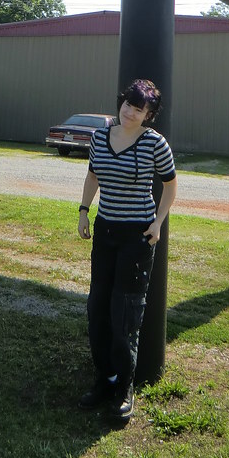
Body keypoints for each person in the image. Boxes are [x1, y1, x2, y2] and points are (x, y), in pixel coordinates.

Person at [77, 78, 177, 421]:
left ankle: (125, 389)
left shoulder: (154, 144)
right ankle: (104, 379)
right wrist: (83, 211)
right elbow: (93, 176)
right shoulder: (100, 137)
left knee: (125, 314)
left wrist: (157, 222)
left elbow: (170, 184)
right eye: (126, 104)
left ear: (148, 114)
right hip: (105, 232)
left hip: (137, 237)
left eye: (138, 108)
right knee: (97, 308)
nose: (129, 112)